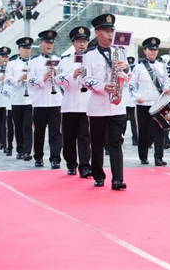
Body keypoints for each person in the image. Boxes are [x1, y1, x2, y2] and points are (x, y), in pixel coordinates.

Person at [82, 13, 131, 190]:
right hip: (98, 107)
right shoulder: (89, 55)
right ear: (97, 33)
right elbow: (85, 79)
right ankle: (98, 175)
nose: (110, 34)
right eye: (106, 31)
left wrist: (125, 69)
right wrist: (103, 87)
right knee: (97, 143)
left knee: (117, 142)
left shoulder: (120, 52)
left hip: (117, 106)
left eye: (112, 30)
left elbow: (128, 76)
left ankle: (117, 179)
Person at [55, 27, 92, 177]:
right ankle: (71, 164)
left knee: (85, 137)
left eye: (84, 41)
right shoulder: (64, 61)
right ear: (73, 43)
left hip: (87, 104)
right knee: (69, 138)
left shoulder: (92, 59)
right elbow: (58, 79)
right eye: (79, 42)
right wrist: (73, 75)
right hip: (69, 105)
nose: (82, 45)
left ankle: (84, 166)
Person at [129, 37, 170, 166]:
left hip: (158, 103)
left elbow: (165, 82)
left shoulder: (161, 65)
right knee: (144, 130)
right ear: (145, 51)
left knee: (159, 130)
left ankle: (159, 157)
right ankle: (143, 156)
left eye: (155, 50)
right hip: (143, 103)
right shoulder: (139, 67)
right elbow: (132, 85)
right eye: (150, 50)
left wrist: (167, 89)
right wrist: (137, 97)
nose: (153, 52)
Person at [28, 30, 63, 169]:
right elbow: (30, 81)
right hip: (40, 101)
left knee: (55, 132)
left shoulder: (59, 60)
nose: (49, 45)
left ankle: (55, 158)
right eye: (46, 42)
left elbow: (64, 80)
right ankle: (38, 157)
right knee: (39, 131)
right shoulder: (34, 62)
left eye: (51, 43)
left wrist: (56, 75)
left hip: (55, 101)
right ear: (41, 43)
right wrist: (43, 78)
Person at [5, 37, 34, 160]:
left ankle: (28, 151)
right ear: (19, 49)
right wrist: (19, 79)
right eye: (24, 48)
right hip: (17, 99)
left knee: (27, 126)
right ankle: (20, 150)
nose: (27, 51)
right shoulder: (12, 64)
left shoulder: (34, 63)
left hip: (30, 100)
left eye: (28, 48)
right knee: (18, 126)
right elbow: (8, 80)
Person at [123, 57, 138, 146]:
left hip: (132, 100)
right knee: (123, 122)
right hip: (124, 100)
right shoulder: (121, 72)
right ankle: (121, 137)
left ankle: (135, 139)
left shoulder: (135, 70)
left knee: (134, 123)